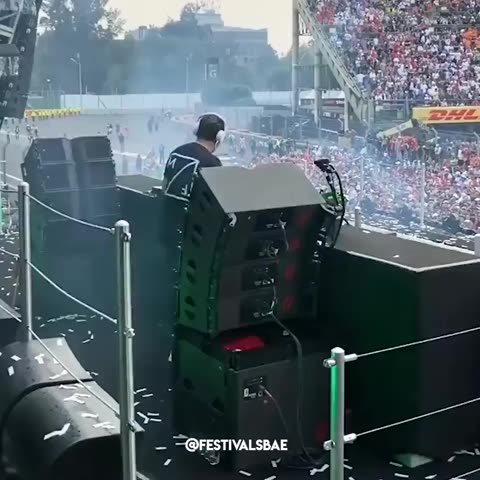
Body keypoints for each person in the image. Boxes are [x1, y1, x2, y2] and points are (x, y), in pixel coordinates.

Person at [162, 113, 225, 201]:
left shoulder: (176, 152)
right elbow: (217, 199)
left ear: (196, 130)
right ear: (219, 137)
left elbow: (164, 186)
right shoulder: (212, 163)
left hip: (168, 208)